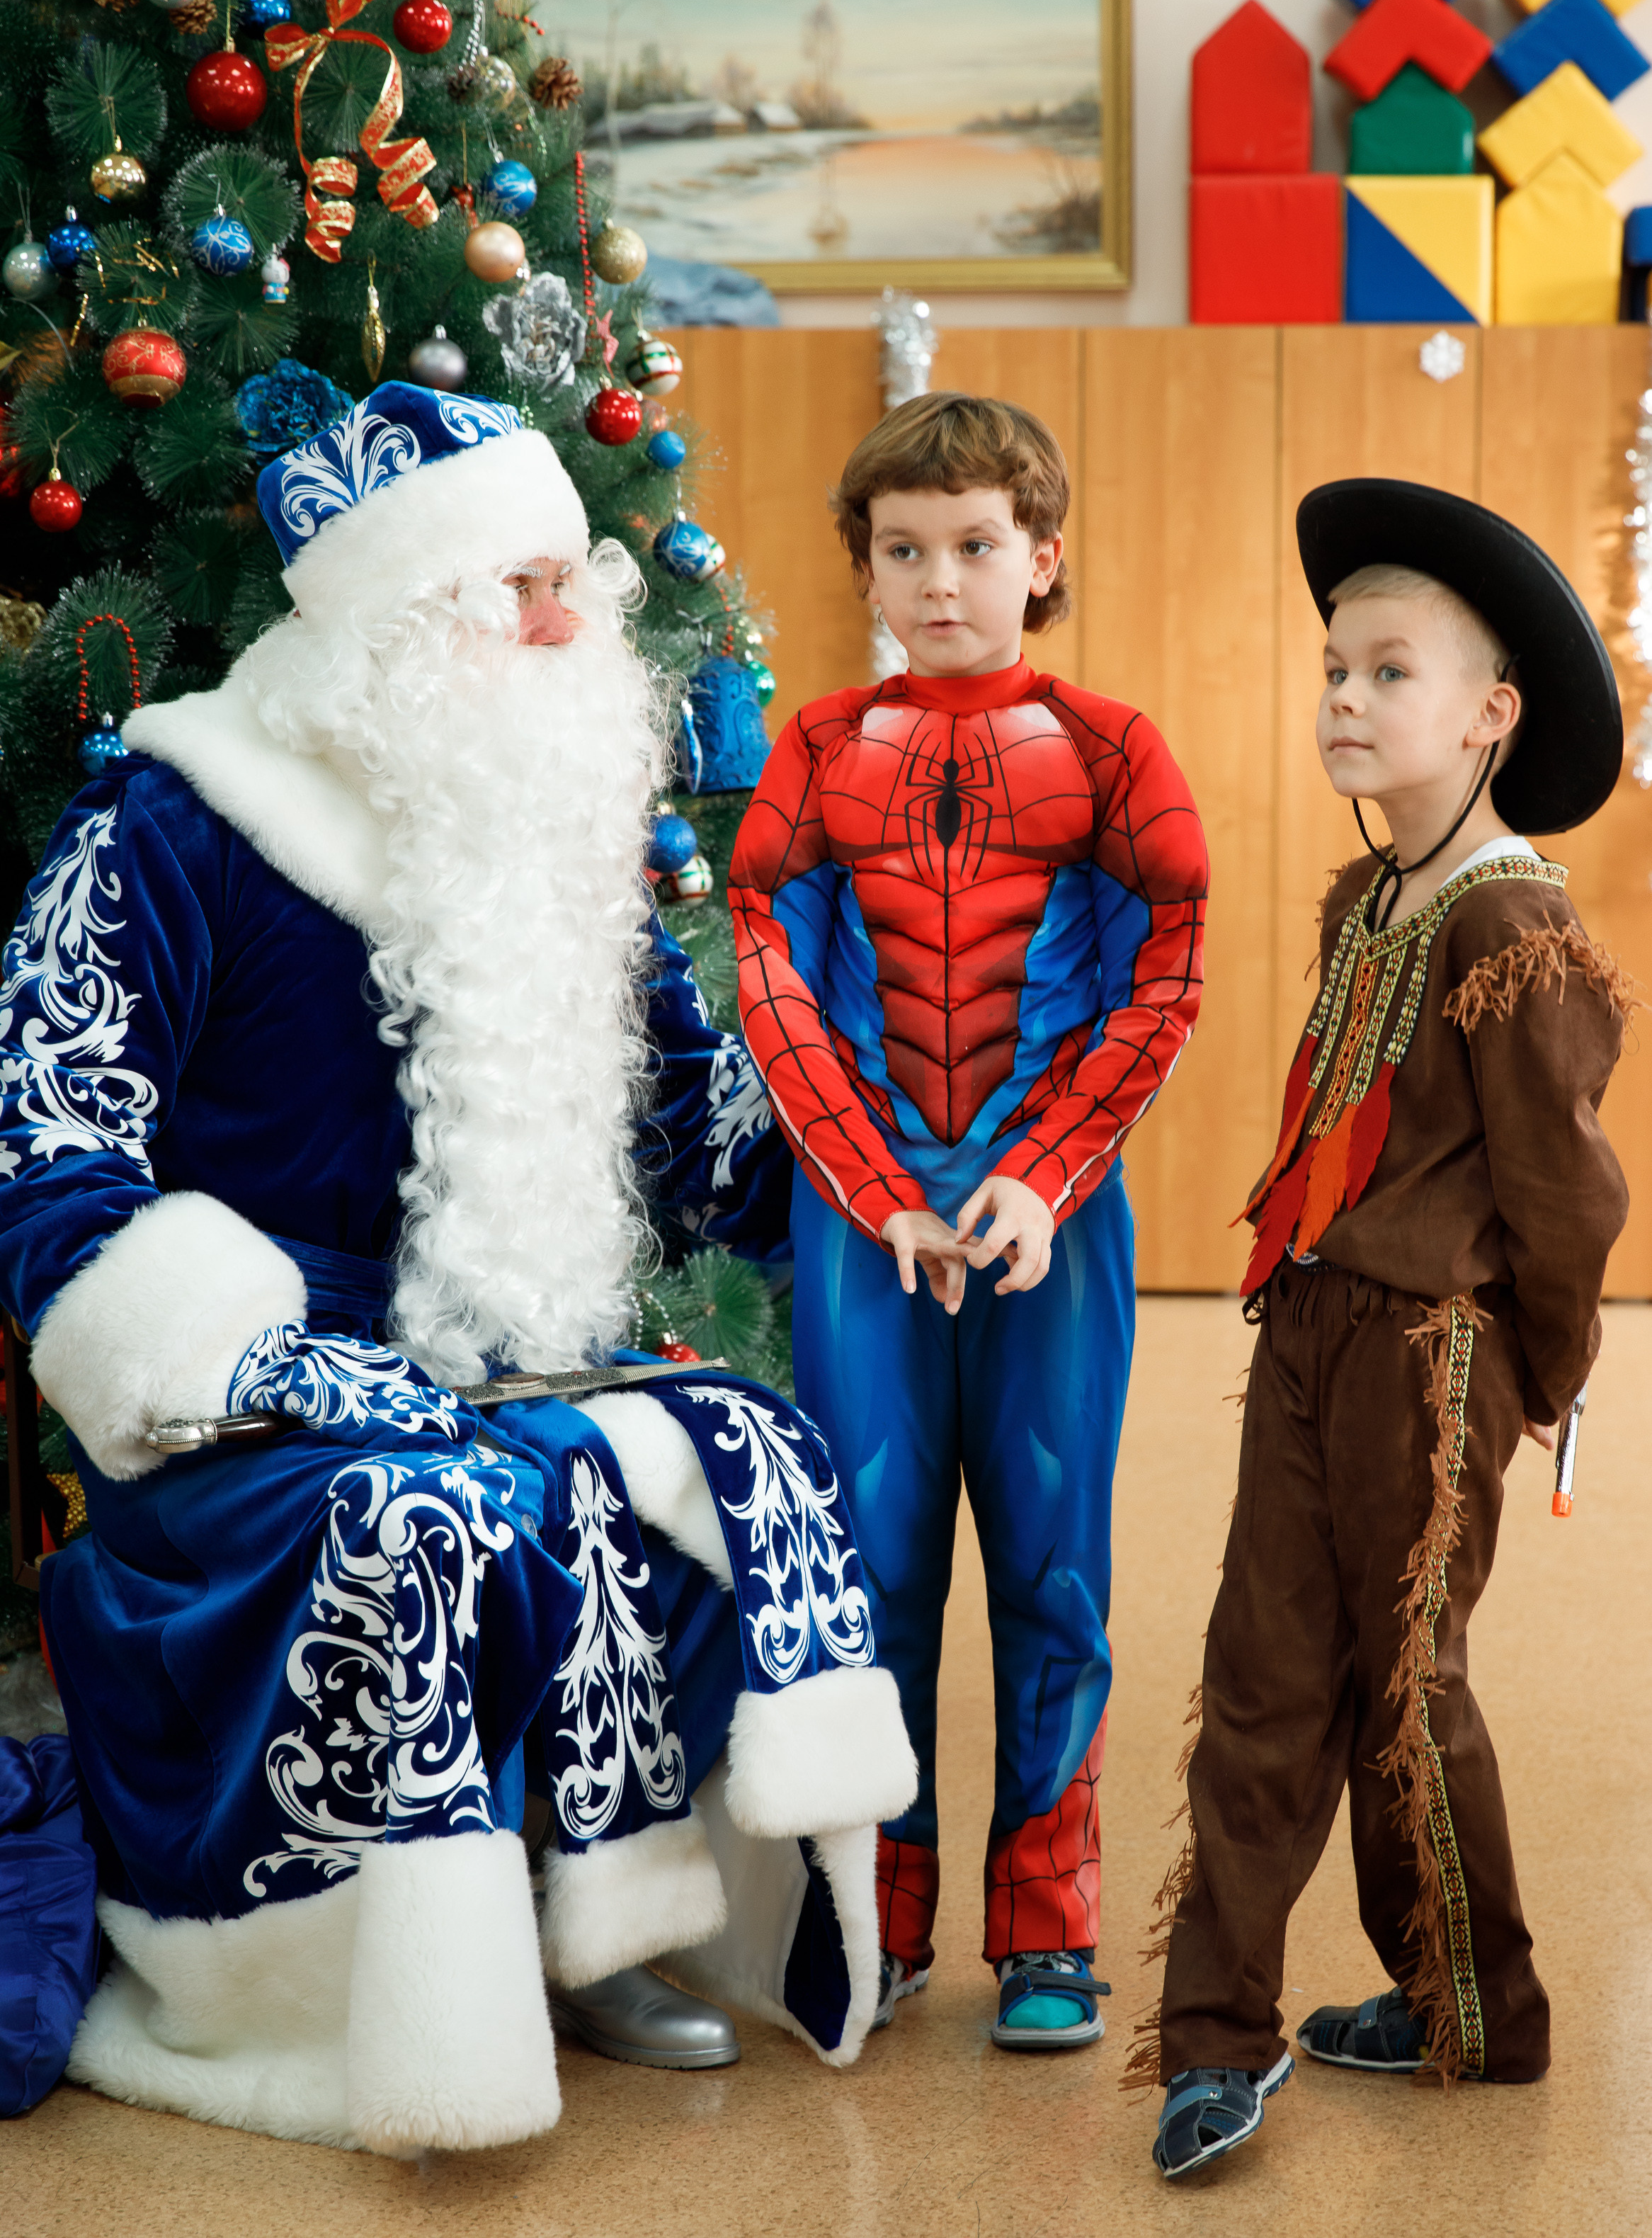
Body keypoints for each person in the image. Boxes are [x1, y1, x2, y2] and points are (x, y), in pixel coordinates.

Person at [0, 385, 916, 2152]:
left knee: (731, 1446)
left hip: (509, 1346)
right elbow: (49, 1152)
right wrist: (247, 1360)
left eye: (577, 578)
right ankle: (383, 1985)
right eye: (526, 585)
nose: (577, 624)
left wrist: (895, 1158)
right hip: (240, 1390)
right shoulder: (178, 823)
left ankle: (611, 1923)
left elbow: (695, 1138)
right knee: (431, 1513)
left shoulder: (551, 835)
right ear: (397, 615)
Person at [1137, 478, 1631, 2179]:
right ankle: (1215, 2039)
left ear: (1491, 714)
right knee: (1260, 1673)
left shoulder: (1514, 921)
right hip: (1314, 1329)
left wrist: (1546, 1375)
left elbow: (1567, 1191)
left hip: (1437, 1357)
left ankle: (1475, 2009)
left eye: (1388, 671)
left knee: (1401, 1692)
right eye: (1332, 668)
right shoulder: (1370, 905)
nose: (1343, 698)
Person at [729, 394, 1207, 2050]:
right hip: (868, 1227)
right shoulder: (810, 746)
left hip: (1046, 1223)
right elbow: (773, 978)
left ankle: (1049, 1925)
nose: (943, 580)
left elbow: (1169, 974)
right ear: (868, 565)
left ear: (1042, 557)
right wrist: (876, 1191)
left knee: (1055, 1570)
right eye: (906, 550)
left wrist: (1044, 1171)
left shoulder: (1116, 747)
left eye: (979, 546)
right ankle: (880, 1908)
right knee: (868, 1576)